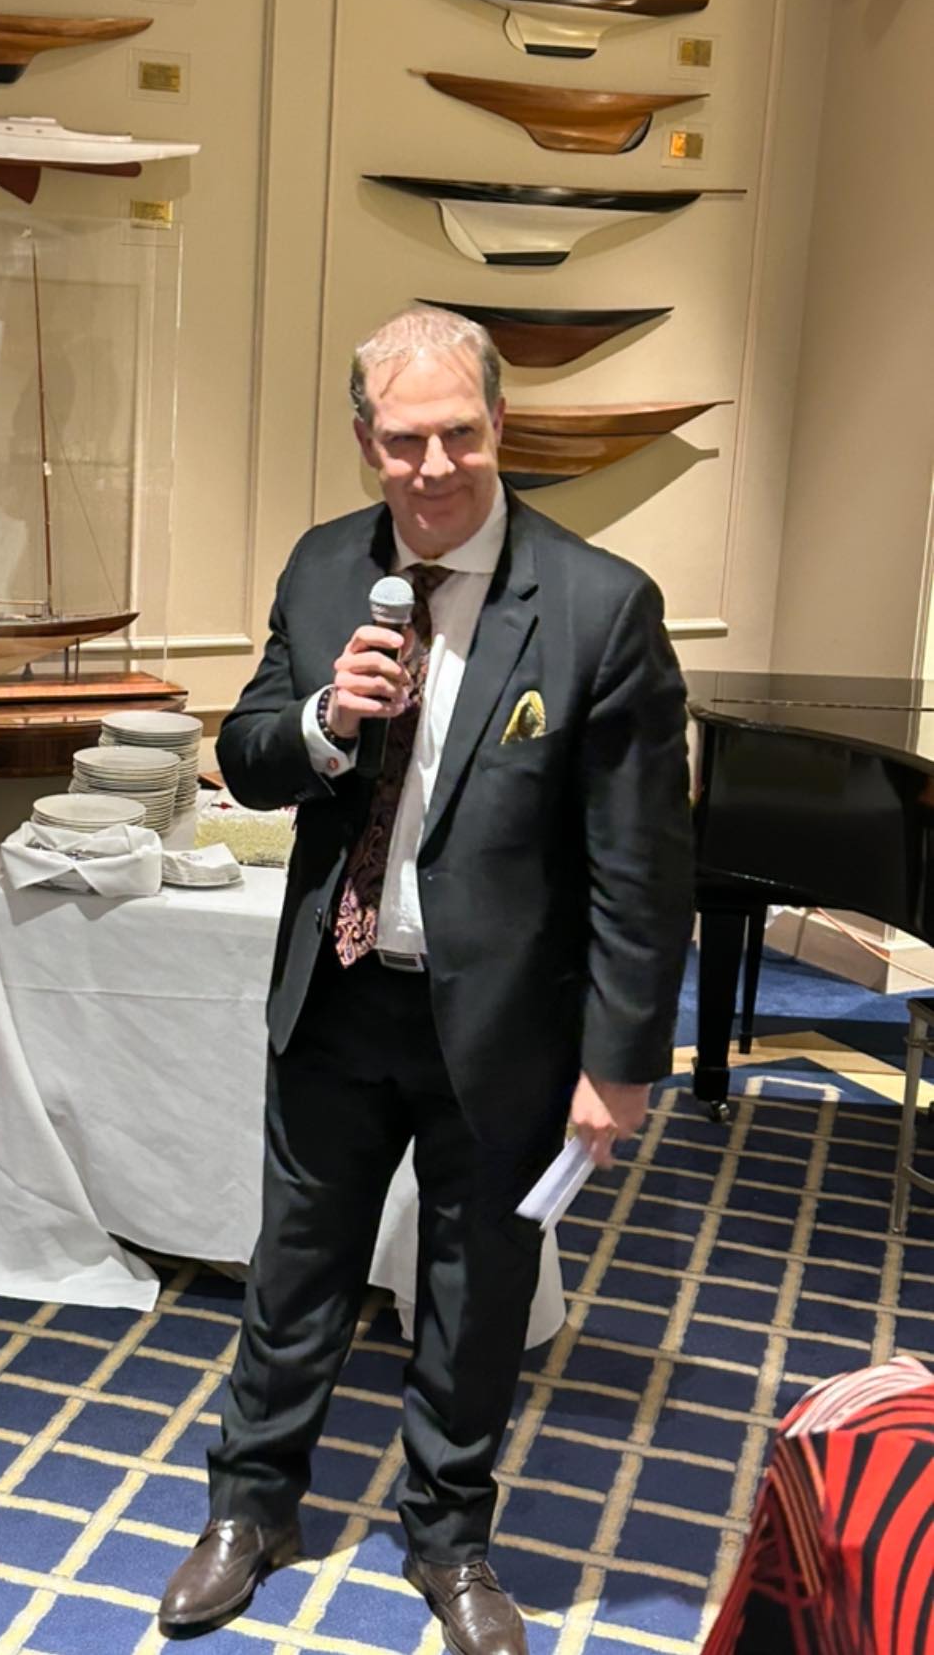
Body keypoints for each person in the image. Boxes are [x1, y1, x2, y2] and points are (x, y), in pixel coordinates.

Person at [157, 306, 694, 1653]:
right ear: (366, 443)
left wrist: (620, 1059)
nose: (436, 464)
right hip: (340, 991)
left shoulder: (599, 605)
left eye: (460, 432)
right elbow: (248, 756)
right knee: (296, 1270)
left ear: (499, 425)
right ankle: (251, 1506)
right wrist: (326, 718)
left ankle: (449, 1536)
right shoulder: (324, 567)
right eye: (405, 440)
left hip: (503, 1023)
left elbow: (641, 862)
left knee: (476, 1288)